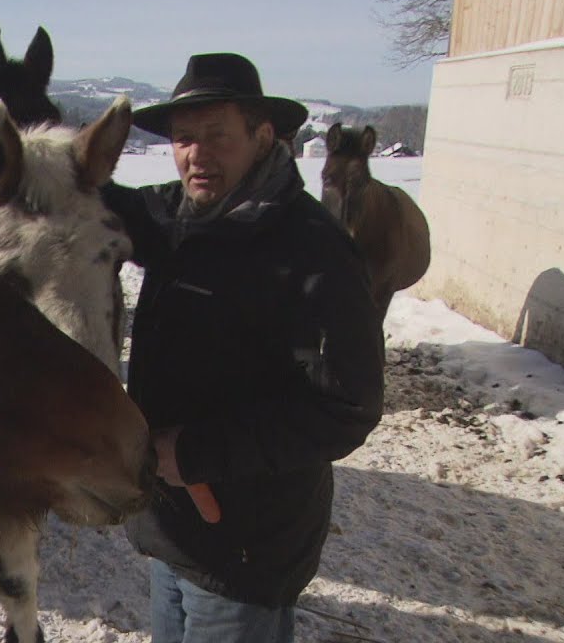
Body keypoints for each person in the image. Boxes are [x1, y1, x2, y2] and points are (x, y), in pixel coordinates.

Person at [101, 53, 385, 642]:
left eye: (217, 136)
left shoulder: (310, 252)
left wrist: (198, 451)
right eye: (184, 139)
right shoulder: (181, 217)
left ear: (262, 137)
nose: (197, 154)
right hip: (175, 530)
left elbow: (345, 408)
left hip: (247, 543)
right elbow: (90, 197)